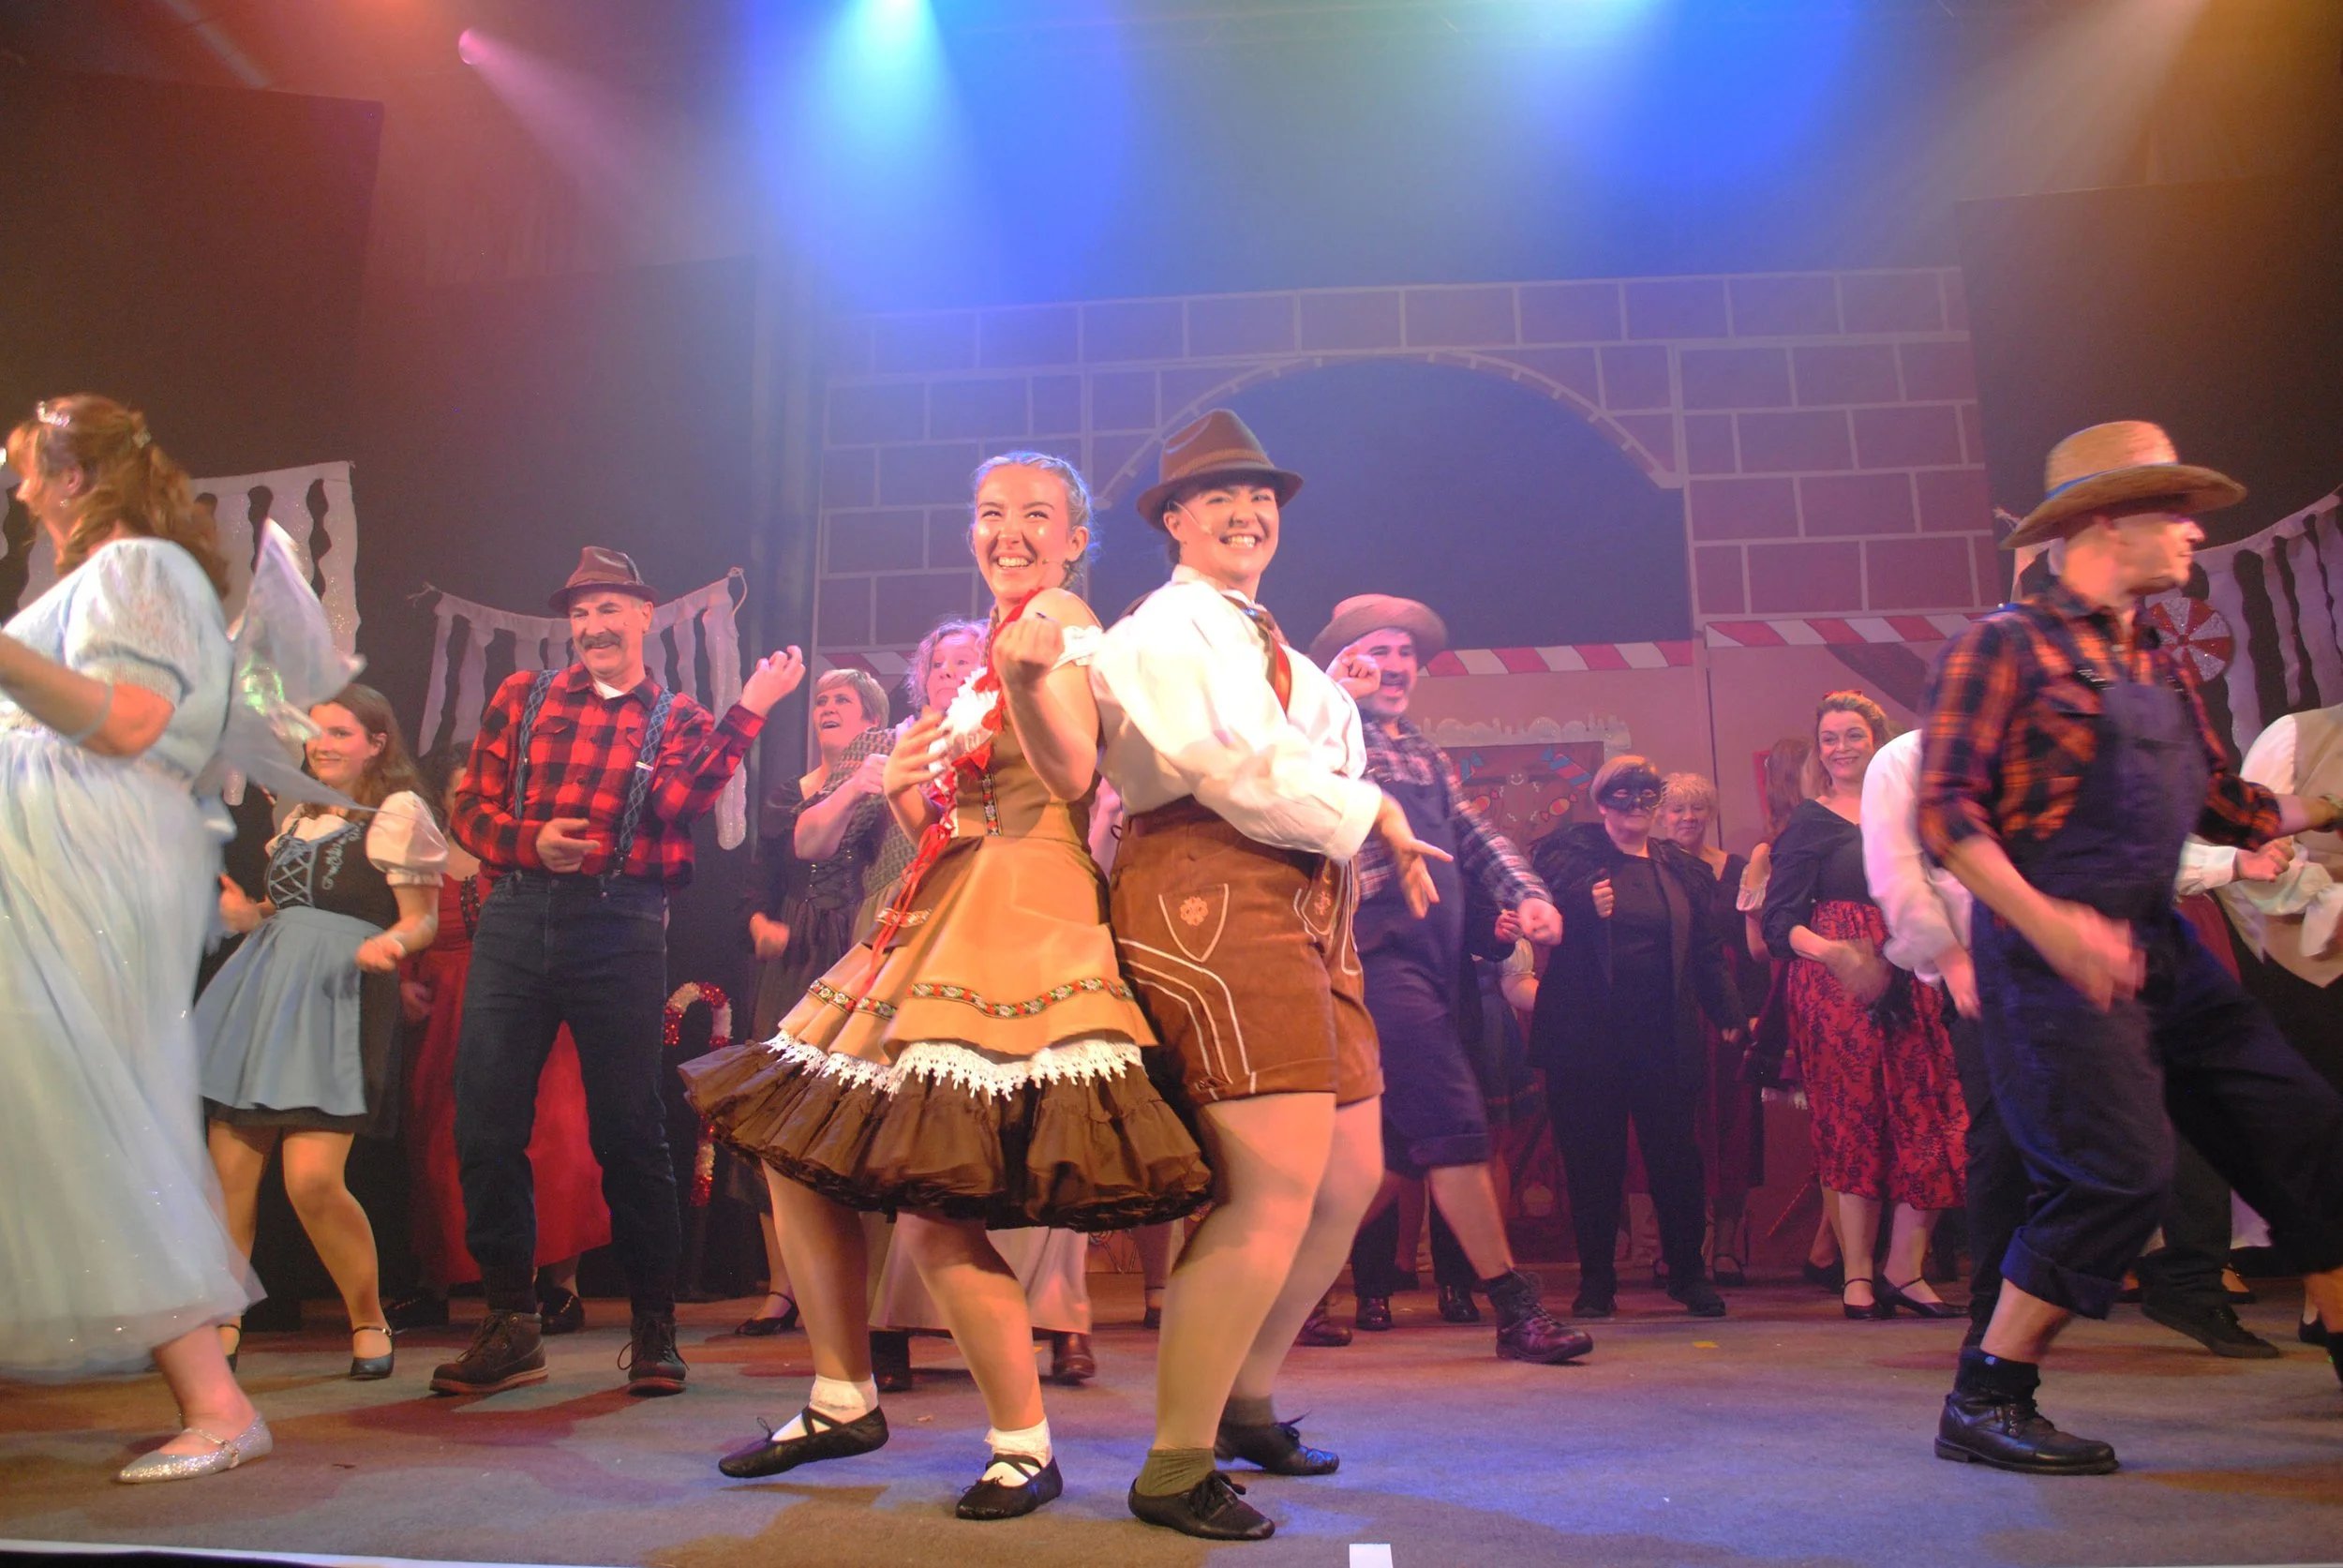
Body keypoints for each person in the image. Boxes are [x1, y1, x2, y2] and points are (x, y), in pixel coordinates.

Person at [683, 451, 1211, 1521]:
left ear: (1073, 537)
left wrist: (1021, 678)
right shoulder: (989, 657)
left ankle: (1021, 1438)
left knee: (932, 1197)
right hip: (939, 905)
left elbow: (1069, 779)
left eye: (1034, 514)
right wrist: (897, 781)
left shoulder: (1056, 618)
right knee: (800, 1149)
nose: (1008, 530)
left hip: (1018, 916)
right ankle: (842, 1391)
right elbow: (953, 818)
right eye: (988, 513)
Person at [1918, 421, 2343, 1473]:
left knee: (2303, 1125)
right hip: (2047, 945)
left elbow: (2223, 802)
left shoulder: (2148, 651)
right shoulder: (2000, 644)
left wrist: (2325, 802)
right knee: (2118, 1173)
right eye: (2177, 509)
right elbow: (1945, 813)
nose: (2197, 529)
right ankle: (1985, 1397)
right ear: (2108, 518)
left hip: (2155, 939)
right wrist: (2051, 924)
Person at [1082, 410, 1448, 1542]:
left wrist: (1356, 812)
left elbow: (1311, 752)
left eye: (1263, 501)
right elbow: (1237, 770)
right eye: (1221, 500)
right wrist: (1370, 808)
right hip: (1213, 893)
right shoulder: (1166, 626)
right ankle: (1173, 1458)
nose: (1248, 515)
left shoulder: (1267, 639)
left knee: (1347, 1174)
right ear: (1176, 521)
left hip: (1301, 905)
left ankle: (1243, 1403)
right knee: (1268, 1183)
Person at [431, 547, 805, 1398]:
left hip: (621, 923)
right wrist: (535, 845)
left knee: (630, 1131)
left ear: (645, 616)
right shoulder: (522, 699)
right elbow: (471, 809)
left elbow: (683, 803)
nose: (593, 626)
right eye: (580, 613)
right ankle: (510, 1320)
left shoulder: (673, 714)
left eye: (609, 609)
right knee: (487, 1123)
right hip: (518, 915)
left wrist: (747, 709)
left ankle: (652, 1326)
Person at [0, 395, 261, 1479]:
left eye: (26, 468)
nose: (16, 489)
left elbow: (131, 720)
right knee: (51, 1109)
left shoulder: (137, 568)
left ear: (72, 478)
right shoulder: (89, 580)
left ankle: (219, 1400)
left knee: (84, 1108)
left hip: (81, 859)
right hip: (56, 853)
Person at [1306, 595, 1588, 1358]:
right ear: (1342, 663)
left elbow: (1474, 832)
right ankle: (1515, 1306)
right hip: (1375, 953)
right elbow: (1300, 790)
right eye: (1376, 651)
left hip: (1440, 964)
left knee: (1392, 1156)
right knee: (1457, 1120)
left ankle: (1286, 1290)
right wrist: (1334, 698)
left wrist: (1527, 893)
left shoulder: (1423, 750)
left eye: (1405, 652)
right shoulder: (1318, 733)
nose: (1394, 666)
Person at [199, 684, 447, 1380]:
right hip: (264, 993)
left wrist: (394, 946)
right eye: (316, 732)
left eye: (340, 732)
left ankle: (368, 1316)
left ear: (376, 741)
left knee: (311, 1179)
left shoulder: (397, 813)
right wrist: (249, 914)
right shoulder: (294, 809)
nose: (323, 743)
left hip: (337, 999)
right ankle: (223, 1317)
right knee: (229, 1176)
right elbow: (288, 904)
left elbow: (420, 916)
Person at [392, 743, 608, 1336]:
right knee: (442, 1145)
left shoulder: (527, 858)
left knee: (557, 1142)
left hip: (532, 1006)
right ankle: (433, 1282)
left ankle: (560, 1287)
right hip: (445, 1018)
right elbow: (403, 929)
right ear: (444, 799)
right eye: (463, 794)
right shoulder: (421, 857)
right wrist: (402, 985)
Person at [1764, 693, 1967, 1322]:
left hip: (1918, 972)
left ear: (1880, 739)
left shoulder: (1914, 812)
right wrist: (1836, 954)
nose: (1841, 747)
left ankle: (1904, 1269)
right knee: (1853, 1125)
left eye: (1853, 734)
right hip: (1837, 987)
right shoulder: (1810, 821)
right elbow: (1779, 923)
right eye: (1829, 738)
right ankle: (1856, 1274)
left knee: (1934, 1119)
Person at [1533, 755, 1744, 1319]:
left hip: (1662, 1035)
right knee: (1591, 1161)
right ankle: (1597, 1280)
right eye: (1623, 797)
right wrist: (1581, 908)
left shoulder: (1679, 870)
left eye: (1647, 796)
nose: (1637, 808)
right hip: (1587, 1037)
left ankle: (1687, 1273)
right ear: (1602, 805)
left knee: (1676, 1157)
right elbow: (1543, 918)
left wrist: (1726, 1008)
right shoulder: (1571, 861)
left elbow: (1703, 949)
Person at [730, 666, 890, 1337]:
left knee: (855, 1111)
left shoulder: (883, 786)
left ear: (869, 716)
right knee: (774, 1115)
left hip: (856, 944)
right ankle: (781, 1285)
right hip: (792, 956)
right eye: (819, 699)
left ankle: (863, 1285)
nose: (826, 707)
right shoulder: (783, 796)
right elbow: (757, 883)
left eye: (841, 699)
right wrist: (759, 923)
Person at [1655, 772, 1768, 1286]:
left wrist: (1743, 1011)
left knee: (1731, 1129)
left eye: (1697, 809)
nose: (1687, 818)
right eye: (1677, 809)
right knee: (1676, 1130)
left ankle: (1724, 1248)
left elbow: (1752, 950)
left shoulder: (1738, 869)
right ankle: (1677, 1247)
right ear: (1661, 816)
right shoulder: (1651, 866)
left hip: (1727, 1013)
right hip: (1671, 1012)